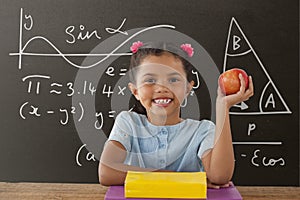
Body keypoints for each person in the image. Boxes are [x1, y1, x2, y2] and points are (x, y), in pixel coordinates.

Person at [98, 41, 254, 188]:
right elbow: (106, 173)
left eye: (173, 79)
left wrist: (223, 106)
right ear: (135, 91)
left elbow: (219, 177)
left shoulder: (202, 130)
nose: (162, 88)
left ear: (187, 88)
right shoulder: (128, 122)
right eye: (150, 80)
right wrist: (182, 179)